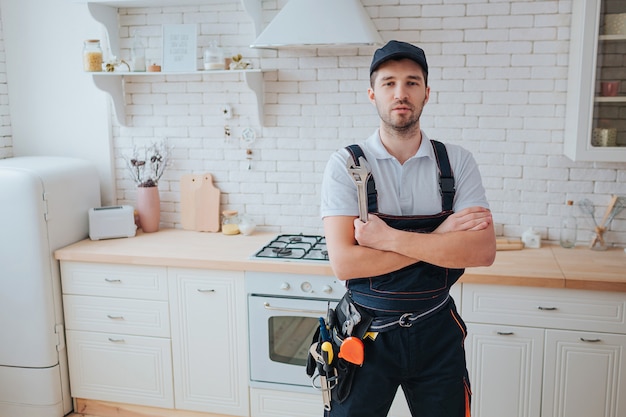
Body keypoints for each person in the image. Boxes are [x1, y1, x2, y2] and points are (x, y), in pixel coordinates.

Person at [319, 40, 497, 417]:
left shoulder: (456, 163)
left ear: (427, 93)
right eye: (389, 83)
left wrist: (388, 239)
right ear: (372, 94)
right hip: (364, 336)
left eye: (412, 83)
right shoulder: (347, 165)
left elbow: (481, 252)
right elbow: (346, 264)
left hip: (436, 330)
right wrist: (440, 238)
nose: (401, 93)